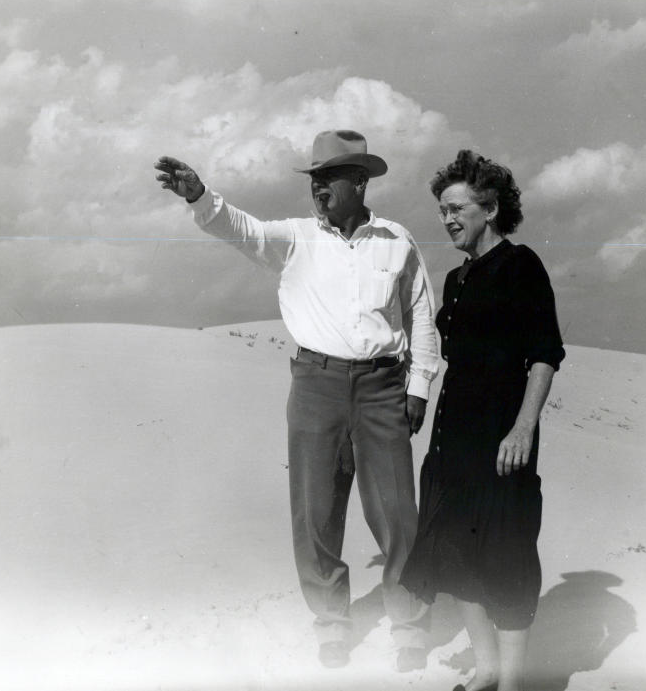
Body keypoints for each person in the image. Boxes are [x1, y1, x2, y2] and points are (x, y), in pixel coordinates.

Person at [153, 130, 439, 672]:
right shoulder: (296, 238)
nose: (318, 188)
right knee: (316, 511)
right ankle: (331, 622)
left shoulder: (396, 240)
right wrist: (199, 196)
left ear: (359, 181)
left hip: (383, 389)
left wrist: (419, 386)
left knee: (398, 513)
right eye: (313, 178)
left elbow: (421, 315)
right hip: (316, 385)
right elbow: (243, 230)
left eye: (328, 177)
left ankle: (408, 625)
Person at [399, 149, 565, 691]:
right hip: (454, 438)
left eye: (456, 208)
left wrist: (523, 428)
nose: (447, 219)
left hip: (501, 437)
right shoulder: (457, 277)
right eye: (442, 210)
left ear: (490, 208)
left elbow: (544, 353)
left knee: (506, 555)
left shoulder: (521, 265)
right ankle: (488, 669)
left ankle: (513, 681)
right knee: (457, 554)